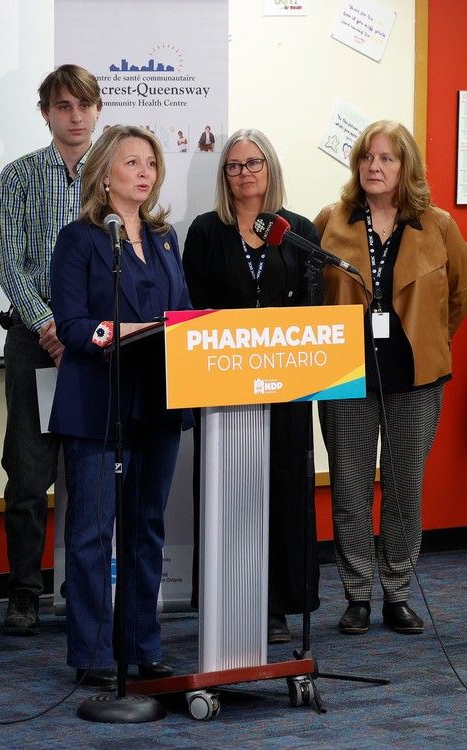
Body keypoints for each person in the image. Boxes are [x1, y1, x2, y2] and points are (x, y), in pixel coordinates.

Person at [50, 125, 192, 688]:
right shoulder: (80, 239)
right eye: (132, 162)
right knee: (92, 533)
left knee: (146, 529)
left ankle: (140, 644)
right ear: (104, 171)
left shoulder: (164, 238)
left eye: (151, 164)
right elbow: (72, 326)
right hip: (97, 404)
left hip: (158, 402)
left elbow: (178, 313)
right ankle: (91, 654)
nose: (144, 173)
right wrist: (123, 330)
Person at [315, 120, 467, 636]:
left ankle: (397, 591)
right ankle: (357, 594)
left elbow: (456, 298)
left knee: (405, 487)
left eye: (387, 159)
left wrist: (429, 341)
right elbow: (314, 297)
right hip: (346, 376)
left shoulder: (439, 225)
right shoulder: (330, 220)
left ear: (406, 168)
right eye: (367, 158)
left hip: (416, 380)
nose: (374, 167)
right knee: (350, 488)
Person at [182, 128, 321, 644]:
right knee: (229, 491)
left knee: (285, 488)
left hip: (286, 386)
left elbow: (314, 309)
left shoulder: (299, 230)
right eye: (234, 166)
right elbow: (193, 305)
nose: (244, 174)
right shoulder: (204, 231)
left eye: (253, 163)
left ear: (271, 168)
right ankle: (226, 597)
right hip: (224, 386)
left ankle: (280, 606)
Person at [0, 64, 102, 635]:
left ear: (97, 110)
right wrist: (50, 327)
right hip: (34, 345)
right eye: (64, 106)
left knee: (91, 471)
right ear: (46, 113)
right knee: (29, 475)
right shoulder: (18, 176)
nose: (75, 116)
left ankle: (85, 590)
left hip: (96, 346)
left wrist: (78, 331)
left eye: (84, 105)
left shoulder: (114, 175)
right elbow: (9, 262)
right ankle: (24, 594)